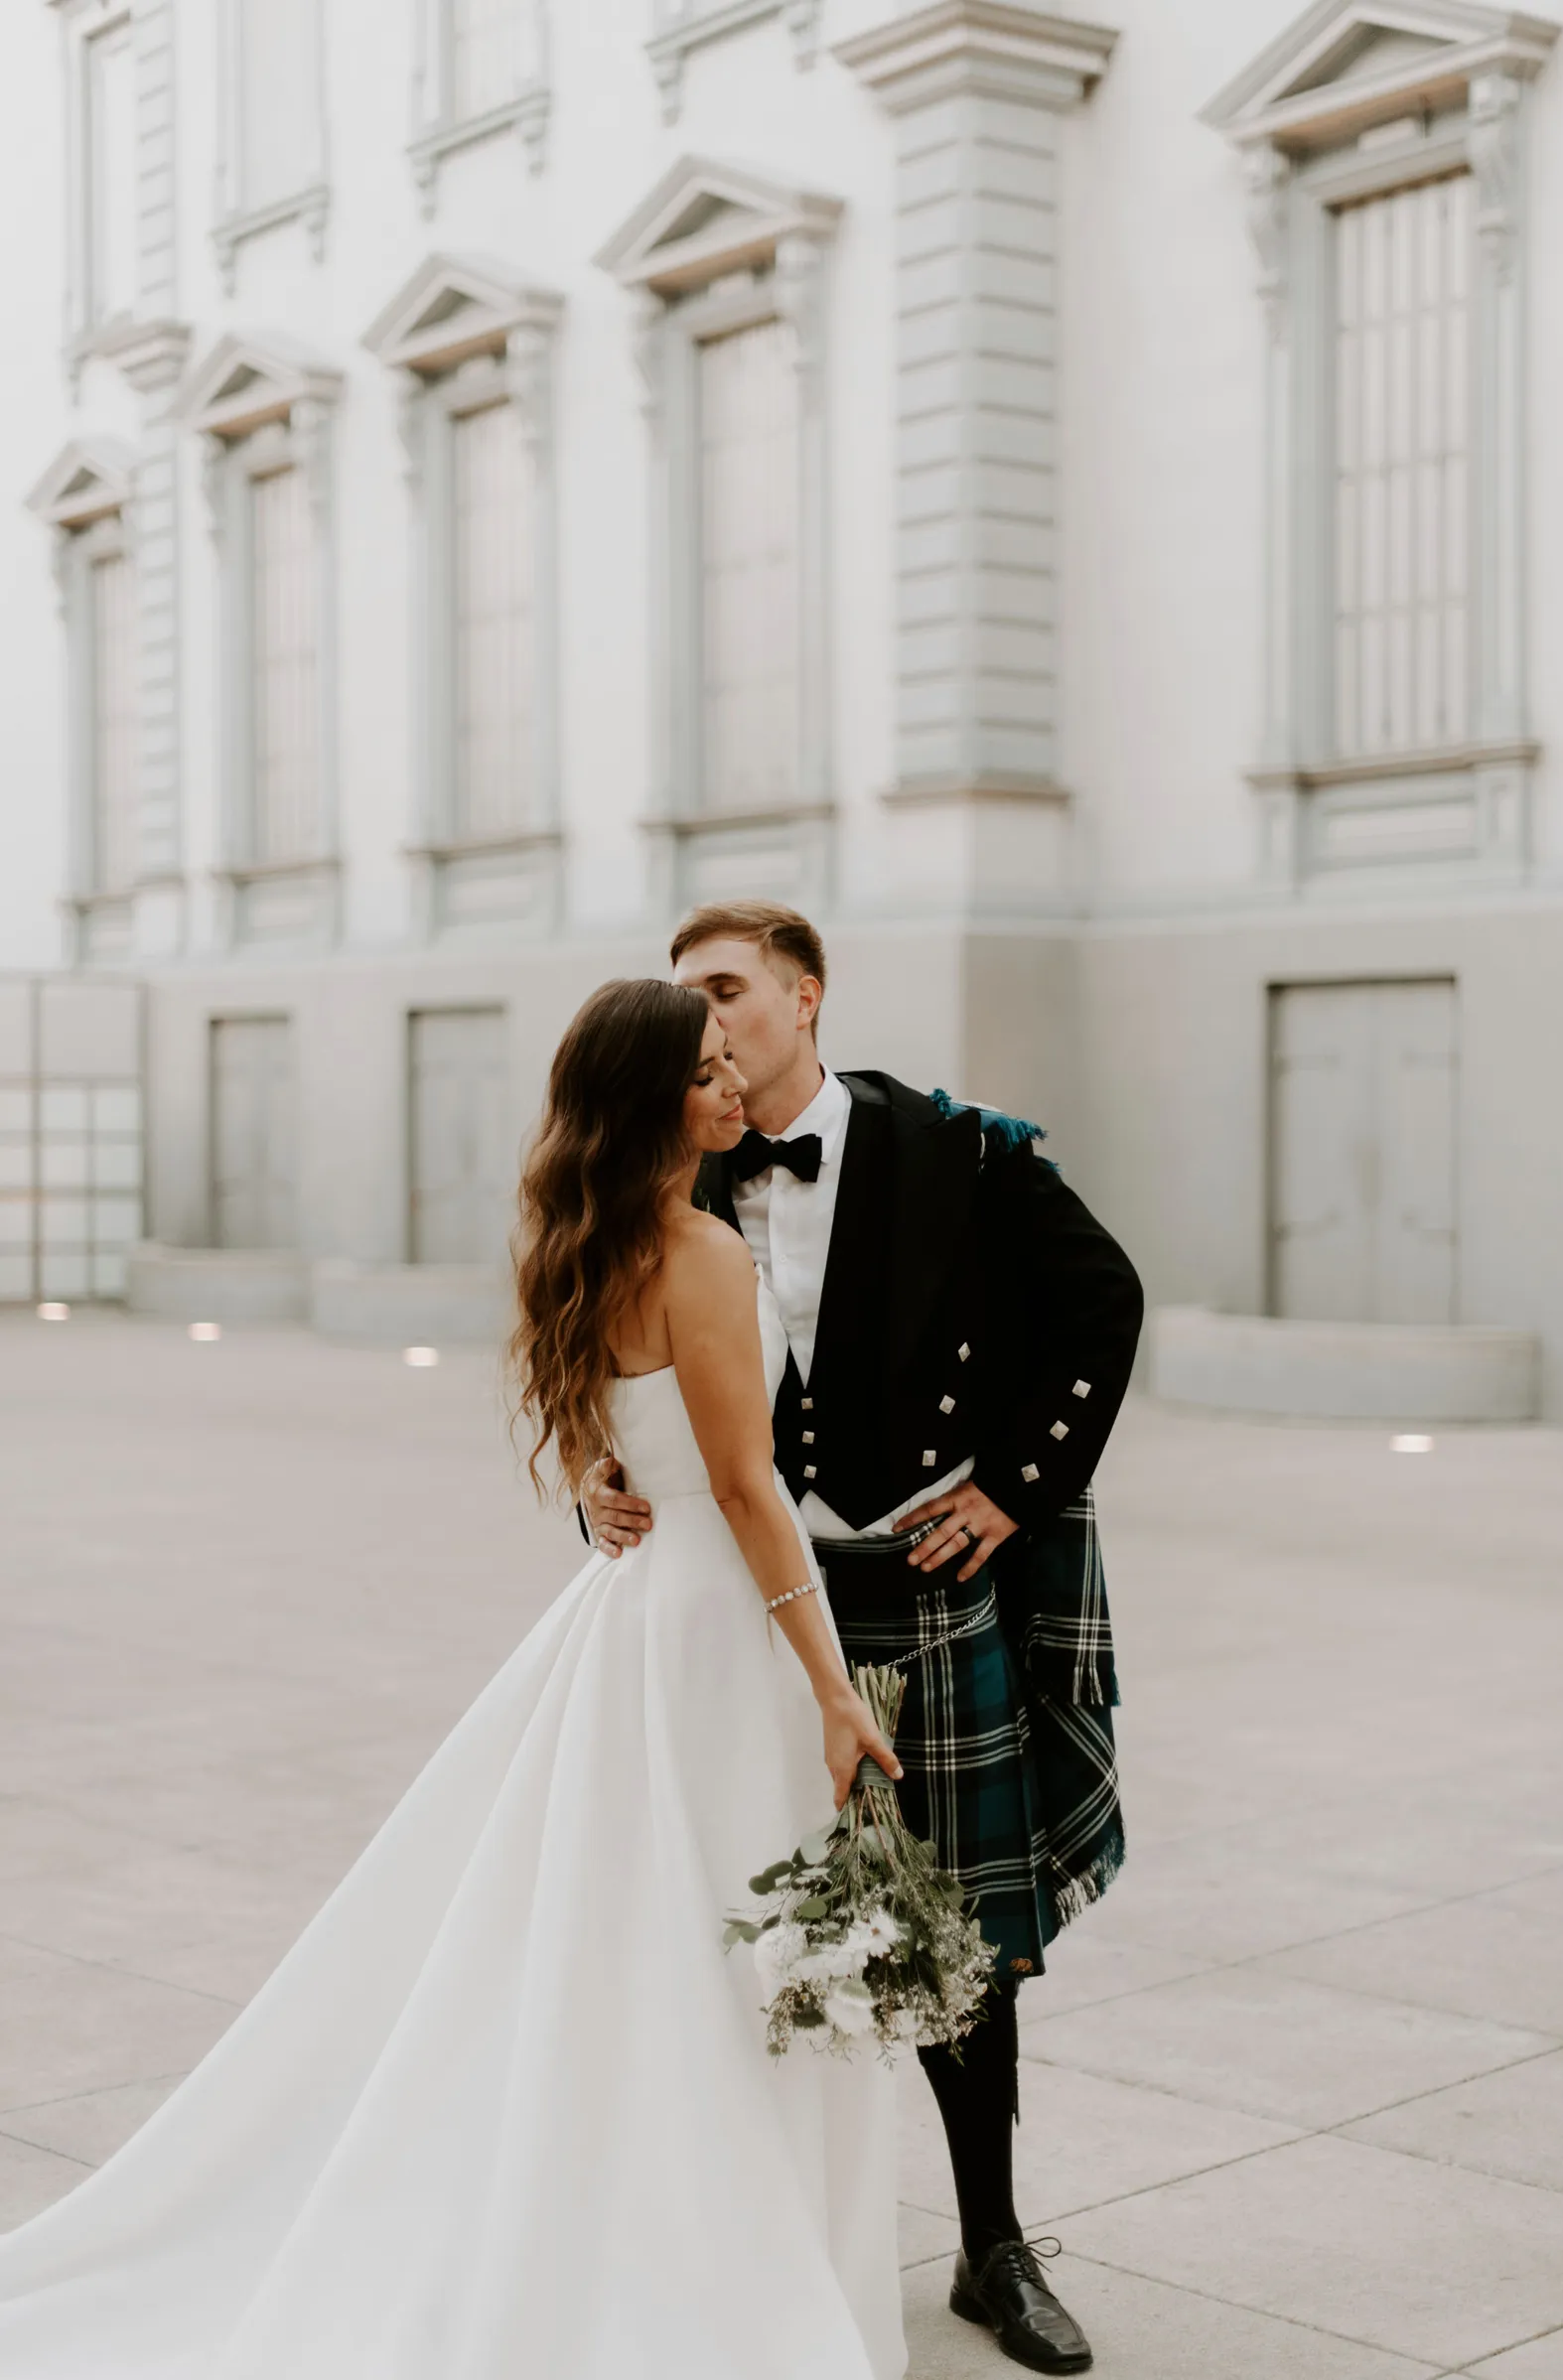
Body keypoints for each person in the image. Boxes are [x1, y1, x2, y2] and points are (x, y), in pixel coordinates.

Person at [0, 978, 908, 2380]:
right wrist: (834, 1684)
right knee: (721, 1936)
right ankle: (703, 2257)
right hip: (712, 1628)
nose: (738, 1090)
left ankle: (632, 2213)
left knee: (645, 1936)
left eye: (737, 1065)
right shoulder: (704, 1250)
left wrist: (611, 1479)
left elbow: (640, 1444)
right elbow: (741, 1487)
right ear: (656, 1098)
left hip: (628, 1617)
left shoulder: (586, 1244)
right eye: (714, 1071)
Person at [588, 903, 1144, 2377]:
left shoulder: (956, 1147)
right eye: (685, 997)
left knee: (954, 1928)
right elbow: (611, 1341)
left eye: (726, 989)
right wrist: (599, 1465)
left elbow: (1106, 1303)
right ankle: (735, 2229)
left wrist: (1017, 1494)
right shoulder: (673, 1162)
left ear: (806, 996)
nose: (704, 1022)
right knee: (727, 1912)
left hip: (906, 1572)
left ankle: (990, 2246)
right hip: (740, 1600)